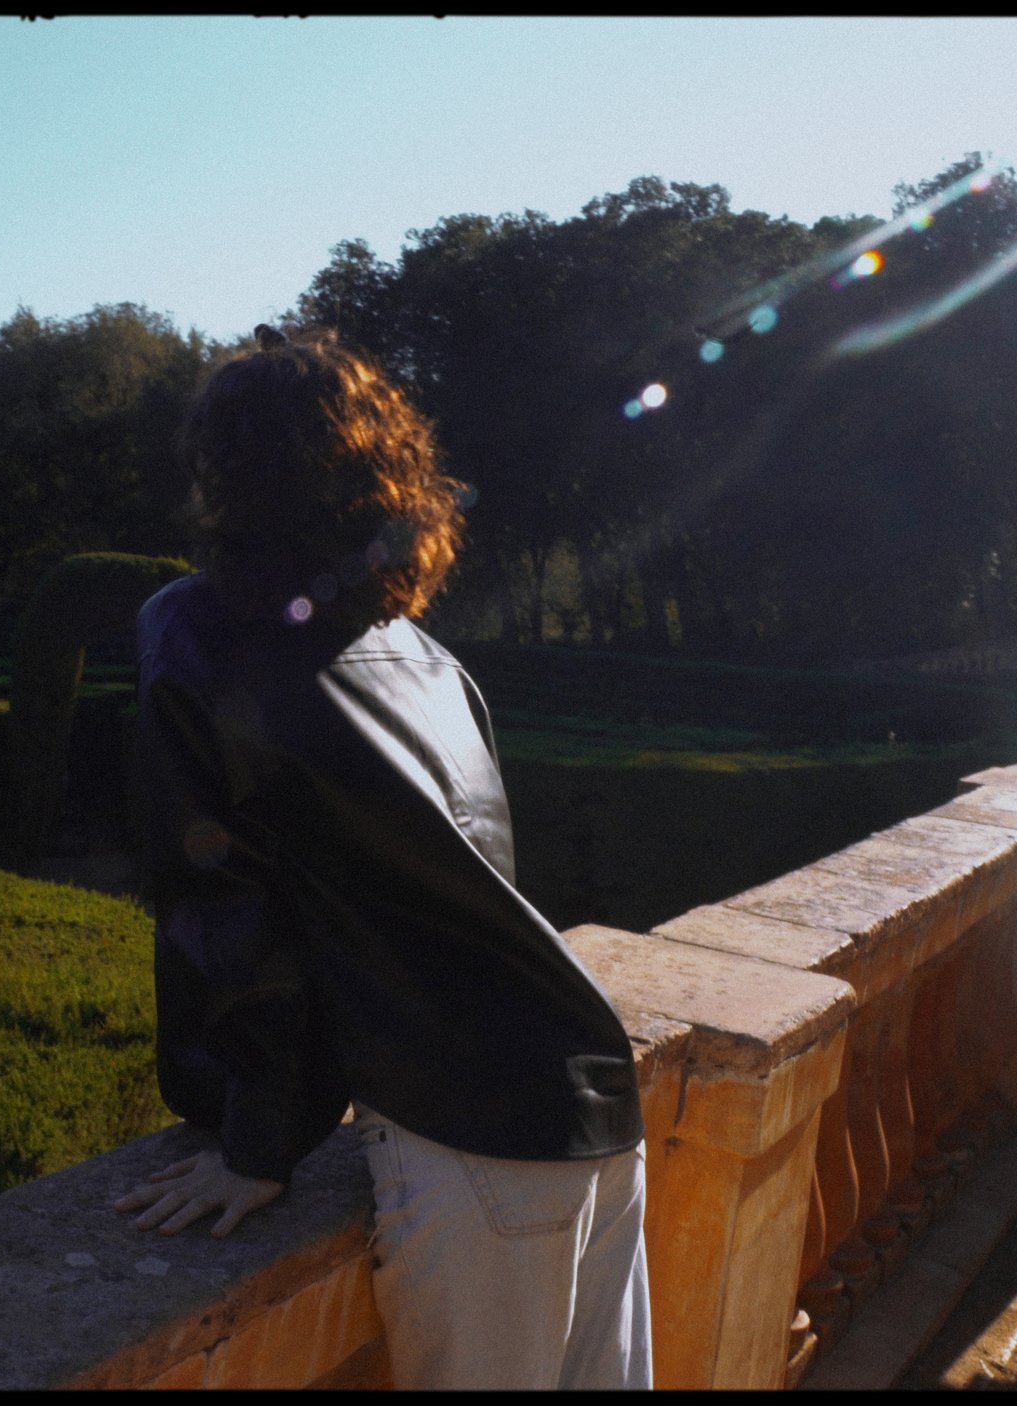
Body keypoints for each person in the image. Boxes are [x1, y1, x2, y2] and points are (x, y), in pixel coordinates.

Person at [109, 325, 653, 1390]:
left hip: (475, 1138)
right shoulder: (428, 657)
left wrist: (256, 1143)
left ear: (226, 471)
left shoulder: (193, 631)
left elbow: (222, 903)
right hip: (588, 1094)